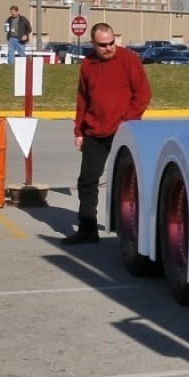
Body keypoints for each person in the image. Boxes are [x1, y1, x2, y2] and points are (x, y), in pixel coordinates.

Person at [63, 23, 152, 245]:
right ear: (93, 44)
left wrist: (127, 121)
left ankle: (130, 229)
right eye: (103, 45)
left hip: (123, 131)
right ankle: (87, 229)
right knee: (87, 181)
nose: (109, 48)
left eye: (112, 42)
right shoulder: (88, 65)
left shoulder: (129, 59)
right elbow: (83, 99)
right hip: (94, 131)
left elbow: (142, 94)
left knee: (126, 182)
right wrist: (79, 131)